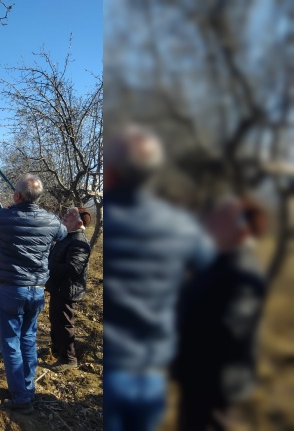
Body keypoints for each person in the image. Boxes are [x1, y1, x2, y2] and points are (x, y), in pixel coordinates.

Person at [103, 125, 215, 431]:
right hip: (154, 369)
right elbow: (212, 273)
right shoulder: (182, 225)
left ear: (110, 174)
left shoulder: (107, 221)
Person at [173, 197, 267, 431]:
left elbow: (230, 329)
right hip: (196, 373)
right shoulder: (218, 260)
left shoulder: (245, 272)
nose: (209, 226)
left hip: (216, 381)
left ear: (241, 229)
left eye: (219, 221)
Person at [0, 176, 67, 415]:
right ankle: (27, 389)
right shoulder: (50, 220)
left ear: (17, 196)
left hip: (12, 289)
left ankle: (21, 397)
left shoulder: (5, 217)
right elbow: (62, 232)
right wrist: (42, 212)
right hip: (37, 290)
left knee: (11, 343)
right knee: (28, 339)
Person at [45, 206, 92, 372]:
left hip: (67, 290)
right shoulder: (67, 237)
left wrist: (47, 266)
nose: (65, 216)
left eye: (71, 215)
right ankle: (57, 349)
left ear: (79, 223)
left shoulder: (79, 242)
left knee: (65, 323)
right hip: (58, 287)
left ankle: (68, 359)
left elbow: (72, 269)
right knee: (56, 320)